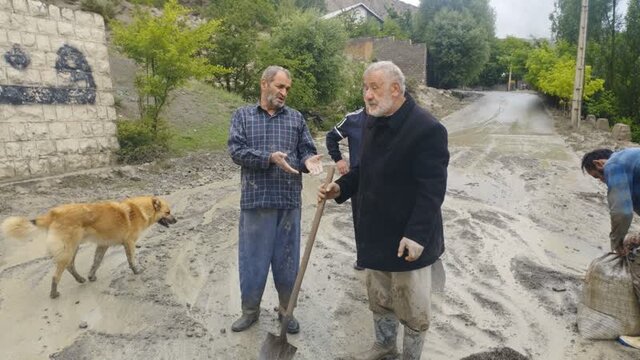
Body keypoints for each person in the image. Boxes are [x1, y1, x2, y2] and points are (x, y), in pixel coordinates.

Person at [319, 61, 449, 360]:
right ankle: (385, 346)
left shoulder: (427, 129)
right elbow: (366, 171)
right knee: (380, 298)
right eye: (365, 88)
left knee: (413, 306)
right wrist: (340, 187)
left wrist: (416, 235)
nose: (367, 95)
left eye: (374, 87)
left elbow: (432, 190)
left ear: (395, 88)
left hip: (408, 238)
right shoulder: (371, 121)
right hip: (376, 232)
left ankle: (410, 356)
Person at [227, 65, 323, 333]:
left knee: (287, 261)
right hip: (256, 201)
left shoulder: (296, 118)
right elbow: (236, 151)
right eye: (280, 86)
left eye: (287, 89)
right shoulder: (243, 116)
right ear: (264, 84)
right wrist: (269, 158)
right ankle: (250, 311)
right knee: (253, 260)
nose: (284, 93)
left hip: (288, 201)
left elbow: (306, 150)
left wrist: (308, 160)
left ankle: (285, 311)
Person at [325, 108, 367, 270]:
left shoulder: (389, 115)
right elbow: (331, 137)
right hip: (358, 178)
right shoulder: (353, 119)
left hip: (384, 178)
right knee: (360, 218)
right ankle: (363, 258)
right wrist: (339, 160)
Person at [581, 148, 640, 254]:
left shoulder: (613, 164)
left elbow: (622, 212)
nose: (602, 180)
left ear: (598, 164)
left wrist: (617, 244)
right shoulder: (630, 161)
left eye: (597, 176)